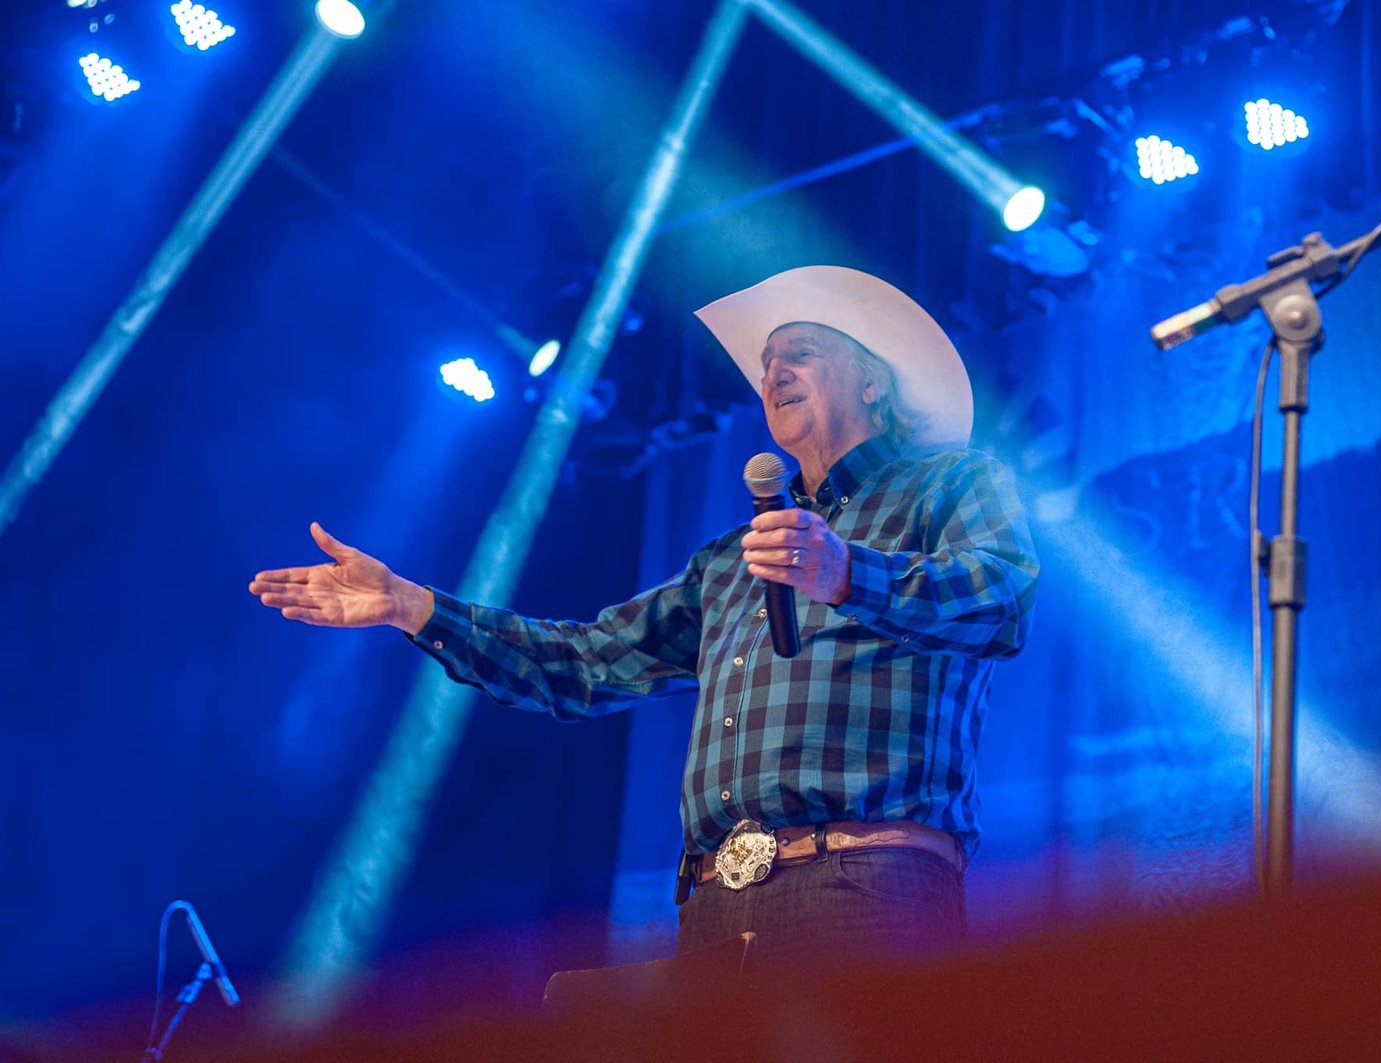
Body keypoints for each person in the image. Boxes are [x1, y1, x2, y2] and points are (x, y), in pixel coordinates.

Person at [249, 265, 1039, 967]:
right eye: (765, 362)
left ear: (873, 381)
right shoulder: (731, 559)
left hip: (867, 883)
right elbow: (587, 662)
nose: (773, 371)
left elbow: (996, 596)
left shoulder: (951, 485)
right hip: (712, 908)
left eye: (800, 352)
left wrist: (845, 572)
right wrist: (417, 608)